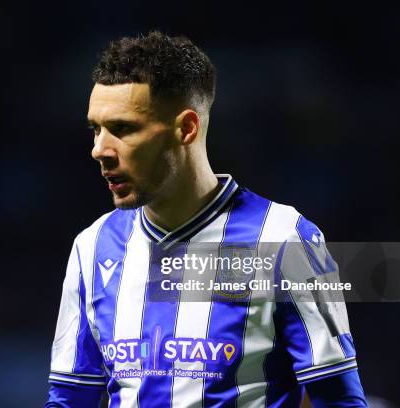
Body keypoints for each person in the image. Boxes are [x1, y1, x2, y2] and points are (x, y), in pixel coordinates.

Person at [45, 31, 367, 407]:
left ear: (186, 128)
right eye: (96, 129)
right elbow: (69, 398)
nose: (99, 149)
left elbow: (338, 400)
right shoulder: (92, 246)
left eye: (123, 128)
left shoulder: (284, 238)